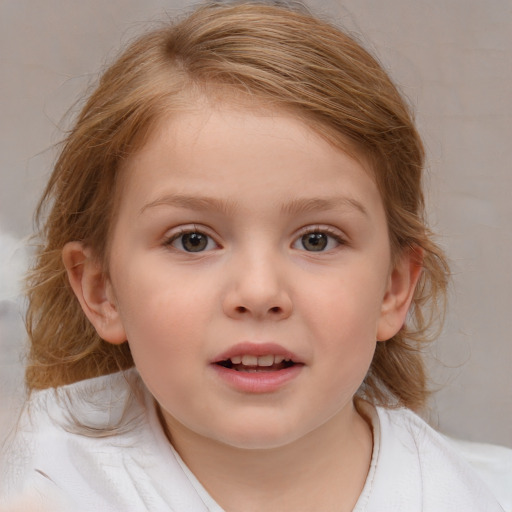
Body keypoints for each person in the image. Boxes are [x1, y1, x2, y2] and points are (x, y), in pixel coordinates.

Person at [0, 1, 506, 511]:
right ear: (99, 290)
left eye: (317, 239)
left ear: (394, 289)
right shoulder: (36, 487)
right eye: (192, 240)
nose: (260, 293)